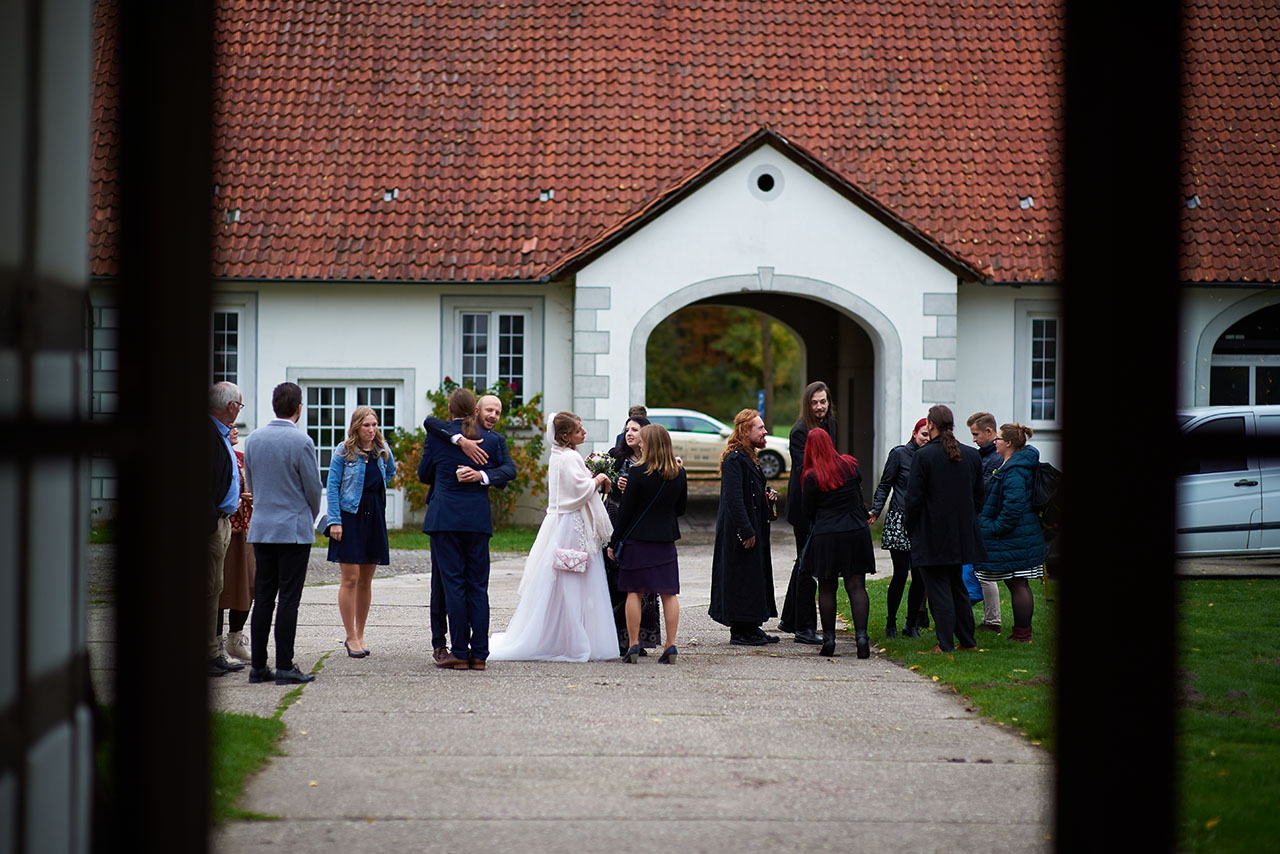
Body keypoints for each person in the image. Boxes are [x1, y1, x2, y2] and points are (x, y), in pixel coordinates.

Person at [489, 412, 618, 662]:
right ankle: (573, 641)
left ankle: (562, 635)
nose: (584, 433)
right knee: (572, 579)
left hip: (561, 521)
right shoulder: (569, 457)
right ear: (565, 435)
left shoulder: (560, 455)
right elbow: (580, 490)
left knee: (559, 580)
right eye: (579, 429)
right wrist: (600, 477)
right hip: (571, 525)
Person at [419, 388, 514, 670]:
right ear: (475, 411)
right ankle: (480, 654)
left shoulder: (437, 437)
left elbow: (424, 474)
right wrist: (485, 473)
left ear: (449, 407)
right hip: (477, 521)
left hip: (445, 519)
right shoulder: (492, 440)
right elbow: (510, 471)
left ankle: (459, 651)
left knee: (454, 585)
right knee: (477, 586)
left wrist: (479, 475)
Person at [244, 382, 323, 684]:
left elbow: (250, 480)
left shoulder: (253, 440)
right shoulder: (301, 441)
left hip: (262, 527)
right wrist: (310, 515)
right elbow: (313, 488)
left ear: (274, 405)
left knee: (264, 597)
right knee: (289, 599)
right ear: (299, 408)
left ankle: (259, 665)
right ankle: (285, 665)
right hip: (292, 529)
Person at [903, 404, 986, 654]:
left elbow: (913, 499)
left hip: (932, 534)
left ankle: (945, 643)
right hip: (962, 533)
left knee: (939, 589)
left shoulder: (924, 456)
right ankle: (967, 641)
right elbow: (979, 497)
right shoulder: (971, 455)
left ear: (930, 425)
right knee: (957, 586)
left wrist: (910, 527)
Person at [608, 424, 687, 664]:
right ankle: (670, 645)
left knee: (634, 592)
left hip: (637, 540)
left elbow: (626, 512)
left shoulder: (637, 473)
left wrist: (614, 541)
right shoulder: (678, 473)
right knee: (669, 593)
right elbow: (681, 509)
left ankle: (633, 645)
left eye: (642, 441)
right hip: (665, 540)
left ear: (650, 444)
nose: (639, 443)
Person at [324, 406, 396, 658]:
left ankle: (361, 632)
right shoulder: (343, 451)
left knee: (366, 580)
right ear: (356, 426)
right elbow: (332, 486)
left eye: (375, 424)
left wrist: (384, 449)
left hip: (374, 516)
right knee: (351, 579)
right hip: (349, 515)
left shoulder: (382, 452)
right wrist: (335, 521)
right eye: (367, 425)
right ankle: (350, 635)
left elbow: (391, 473)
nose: (371, 429)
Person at [800, 429, 876, 658]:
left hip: (828, 534)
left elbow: (807, 511)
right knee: (856, 587)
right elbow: (857, 488)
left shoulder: (812, 476)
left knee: (827, 588)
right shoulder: (850, 465)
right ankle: (861, 638)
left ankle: (830, 641)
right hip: (855, 530)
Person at [709, 410, 780, 645]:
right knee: (741, 577)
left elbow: (749, 492)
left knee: (753, 576)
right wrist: (746, 530)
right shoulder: (734, 459)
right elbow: (734, 498)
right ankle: (740, 630)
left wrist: (764, 497)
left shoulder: (749, 457)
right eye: (760, 428)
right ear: (745, 431)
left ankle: (752, 625)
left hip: (753, 526)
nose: (765, 431)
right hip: (740, 530)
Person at [975, 424, 1047, 643]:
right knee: (1016, 582)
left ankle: (1022, 634)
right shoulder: (1013, 464)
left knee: (1018, 583)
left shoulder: (1015, 470)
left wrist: (994, 528)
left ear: (1008, 443)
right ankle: (1022, 632)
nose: (994, 442)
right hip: (1019, 536)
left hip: (1017, 536)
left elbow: (1012, 509)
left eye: (997, 439)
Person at [780, 381, 837, 645]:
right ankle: (804, 627)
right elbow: (807, 470)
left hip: (819, 504)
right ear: (807, 404)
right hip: (804, 505)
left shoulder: (830, 424)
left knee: (803, 561)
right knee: (808, 565)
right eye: (814, 403)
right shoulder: (799, 431)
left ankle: (790, 619)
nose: (819, 407)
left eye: (823, 402)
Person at [604, 415, 661, 655]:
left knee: (642, 585)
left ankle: (639, 639)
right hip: (616, 518)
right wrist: (617, 483)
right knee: (617, 582)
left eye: (635, 430)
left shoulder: (654, 460)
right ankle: (617, 638)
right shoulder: (617, 457)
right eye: (627, 429)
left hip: (642, 524)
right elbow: (603, 483)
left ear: (645, 434)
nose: (629, 433)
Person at [869, 418, 931, 639]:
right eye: (923, 434)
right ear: (914, 433)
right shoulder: (899, 454)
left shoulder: (932, 456)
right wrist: (876, 510)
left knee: (921, 575)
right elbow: (885, 484)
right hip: (899, 519)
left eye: (930, 435)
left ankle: (911, 623)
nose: (927, 439)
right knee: (900, 573)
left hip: (923, 522)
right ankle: (891, 622)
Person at [207, 383, 247, 676]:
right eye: (240, 406)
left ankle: (212, 650)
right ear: (232, 406)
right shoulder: (208, 436)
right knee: (208, 588)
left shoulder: (218, 435)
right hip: (211, 525)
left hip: (222, 521)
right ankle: (207, 655)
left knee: (215, 588)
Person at [217, 425, 254, 663]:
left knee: (248, 584)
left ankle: (235, 638)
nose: (234, 430)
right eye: (229, 427)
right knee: (221, 587)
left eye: (235, 426)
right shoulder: (216, 456)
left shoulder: (241, 457)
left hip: (246, 530)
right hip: (223, 526)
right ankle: (215, 642)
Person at [967, 411, 1006, 633]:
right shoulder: (984, 456)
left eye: (976, 434)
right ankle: (991, 618)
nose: (973, 439)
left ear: (989, 431)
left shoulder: (994, 459)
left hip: (985, 519)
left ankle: (993, 620)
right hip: (982, 517)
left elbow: (983, 490)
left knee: (985, 569)